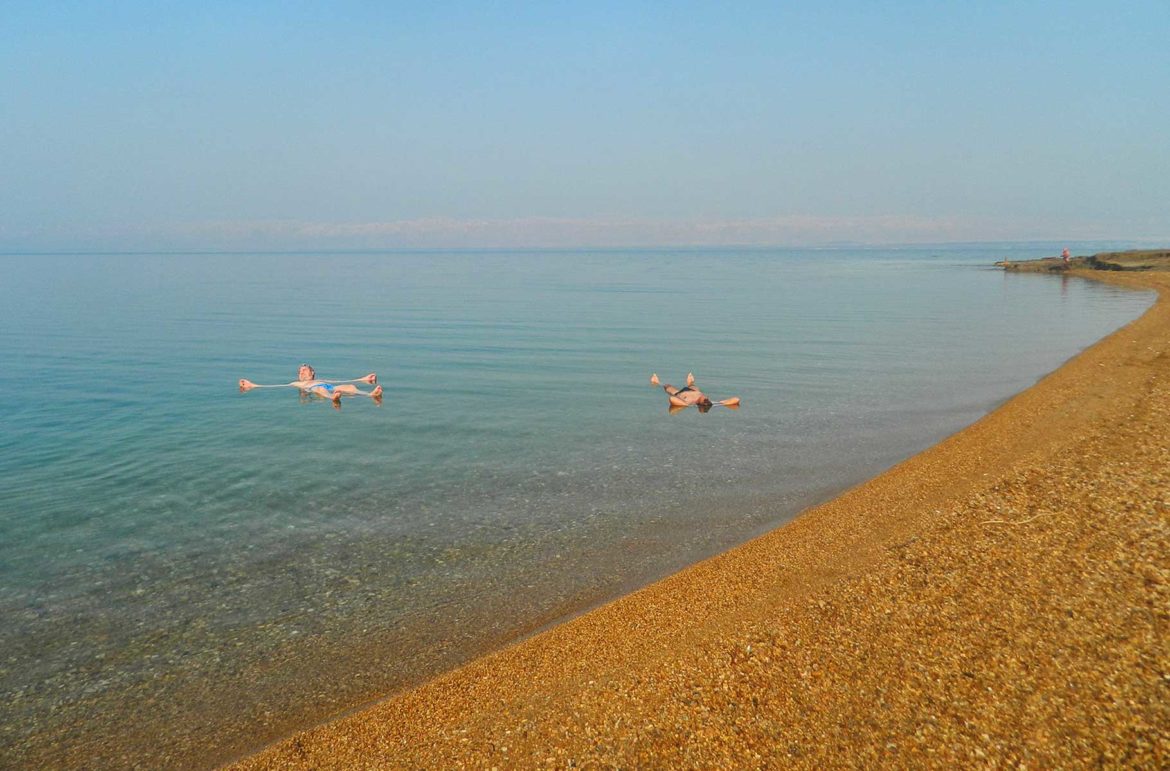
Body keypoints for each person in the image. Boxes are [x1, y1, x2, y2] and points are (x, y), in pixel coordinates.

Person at [239, 364, 382, 407]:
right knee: (320, 389)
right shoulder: (295, 383)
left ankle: (370, 395)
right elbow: (276, 386)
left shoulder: (321, 379)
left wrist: (363, 379)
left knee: (349, 387)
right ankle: (333, 399)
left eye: (304, 370)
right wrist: (253, 385)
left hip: (329, 387)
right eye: (300, 371)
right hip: (314, 389)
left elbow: (337, 382)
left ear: (312, 372)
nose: (301, 373)